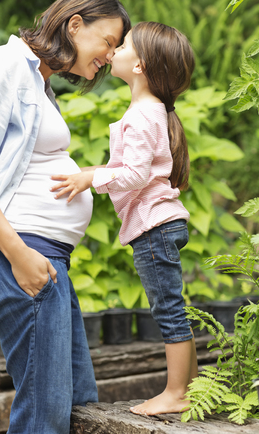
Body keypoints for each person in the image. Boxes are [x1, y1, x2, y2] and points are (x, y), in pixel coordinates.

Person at [0, 0, 130, 434]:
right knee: (46, 419)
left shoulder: (39, 80)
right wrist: (20, 257)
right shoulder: (3, 66)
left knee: (78, 407)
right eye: (108, 42)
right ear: (75, 24)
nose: (110, 56)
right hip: (18, 256)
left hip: (44, 260)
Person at [51, 21, 199, 416]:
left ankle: (177, 393)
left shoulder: (142, 116)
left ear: (140, 66)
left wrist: (90, 177)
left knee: (167, 310)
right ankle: (189, 389)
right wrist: (93, 173)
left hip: (153, 227)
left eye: (124, 45)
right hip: (160, 224)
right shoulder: (149, 111)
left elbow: (133, 175)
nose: (113, 50)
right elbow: (136, 168)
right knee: (172, 307)